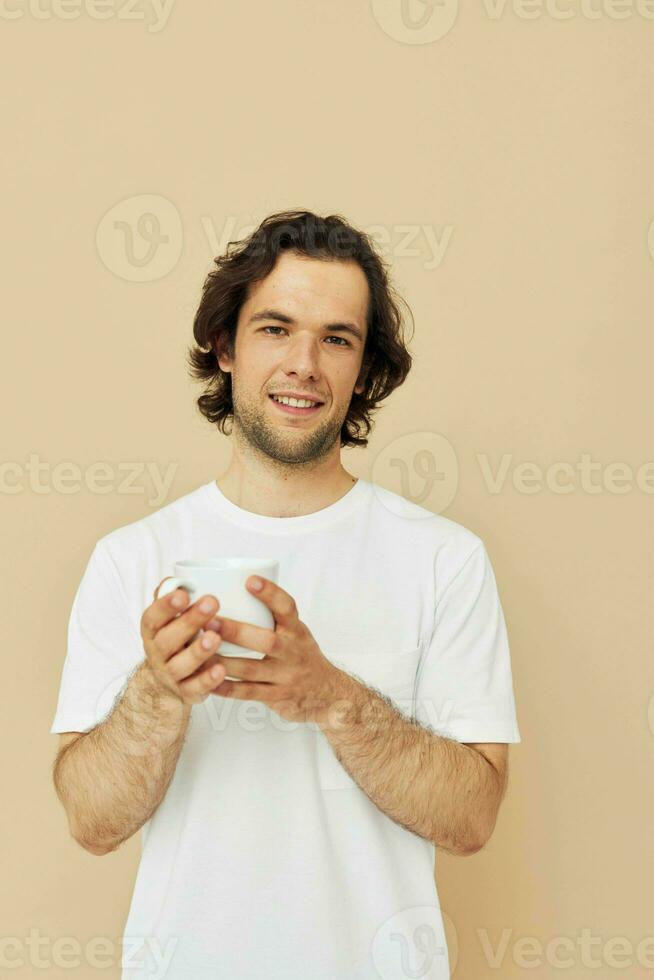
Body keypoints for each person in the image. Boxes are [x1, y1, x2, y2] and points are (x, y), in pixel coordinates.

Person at [51, 209, 521, 980]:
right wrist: (158, 693)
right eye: (276, 328)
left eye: (337, 339)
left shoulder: (445, 560)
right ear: (226, 347)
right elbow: (92, 824)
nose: (304, 363)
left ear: (365, 370)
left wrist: (330, 696)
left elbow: (472, 819)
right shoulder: (130, 560)